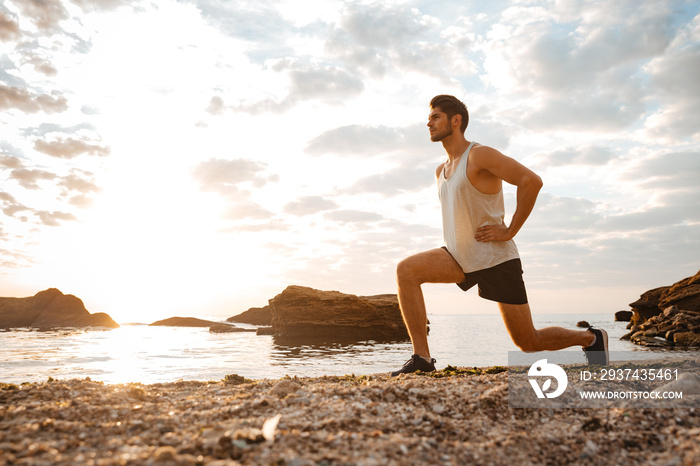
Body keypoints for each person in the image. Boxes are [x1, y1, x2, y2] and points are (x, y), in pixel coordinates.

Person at [391, 94, 608, 376]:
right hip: (459, 257)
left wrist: (510, 230)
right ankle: (422, 358)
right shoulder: (441, 171)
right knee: (406, 271)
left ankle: (592, 339)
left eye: (435, 117)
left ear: (455, 121)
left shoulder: (479, 155)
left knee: (528, 341)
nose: (428, 123)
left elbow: (531, 181)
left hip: (495, 258)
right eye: (429, 117)